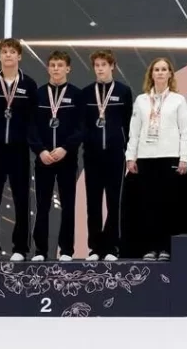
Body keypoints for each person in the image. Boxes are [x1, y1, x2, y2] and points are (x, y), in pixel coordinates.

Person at [126, 57, 187, 260]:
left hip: (169, 156)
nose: (161, 73)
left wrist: (184, 158)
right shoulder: (141, 100)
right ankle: (150, 247)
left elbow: (186, 131)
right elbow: (134, 131)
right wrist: (130, 157)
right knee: (148, 204)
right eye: (157, 69)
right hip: (146, 157)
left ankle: (165, 248)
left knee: (168, 204)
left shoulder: (178, 100)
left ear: (170, 74)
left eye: (164, 69)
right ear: (151, 74)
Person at [0, 38, 38, 262]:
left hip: (19, 151)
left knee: (22, 200)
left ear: (19, 56)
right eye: (4, 51)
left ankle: (20, 249)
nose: (8, 55)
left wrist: (29, 142)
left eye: (12, 52)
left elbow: (33, 119)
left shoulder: (29, 84)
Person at [29, 51, 82, 261]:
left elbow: (81, 127)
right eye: (52, 65)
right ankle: (40, 251)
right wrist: (40, 150)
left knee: (68, 205)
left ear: (68, 68)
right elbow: (31, 127)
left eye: (60, 65)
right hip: (43, 159)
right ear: (48, 68)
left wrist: (65, 148)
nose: (56, 68)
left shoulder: (77, 95)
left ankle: (67, 250)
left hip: (67, 159)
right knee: (42, 206)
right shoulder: (38, 94)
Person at [81, 50, 134, 261]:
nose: (100, 68)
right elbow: (82, 125)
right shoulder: (86, 93)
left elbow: (128, 125)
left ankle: (112, 247)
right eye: (97, 65)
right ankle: (95, 248)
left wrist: (129, 152)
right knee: (93, 203)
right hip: (92, 156)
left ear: (112, 66)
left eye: (104, 64)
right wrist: (87, 143)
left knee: (114, 202)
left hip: (115, 155)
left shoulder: (123, 91)